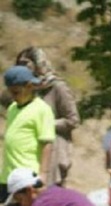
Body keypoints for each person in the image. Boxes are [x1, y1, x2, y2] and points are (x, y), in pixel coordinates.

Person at [1, 65, 55, 206]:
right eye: (12, 92)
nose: (14, 96)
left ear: (30, 86)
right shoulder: (12, 109)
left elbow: (46, 141)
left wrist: (43, 173)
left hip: (27, 171)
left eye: (17, 92)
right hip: (9, 172)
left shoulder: (42, 109)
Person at [15, 47, 81, 186]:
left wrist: (45, 124)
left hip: (53, 152)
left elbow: (73, 120)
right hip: (27, 152)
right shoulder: (24, 90)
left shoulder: (57, 87)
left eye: (26, 64)